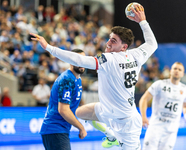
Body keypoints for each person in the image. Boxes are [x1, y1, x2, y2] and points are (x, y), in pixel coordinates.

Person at [30, 4, 158, 150]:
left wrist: (48, 47)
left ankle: (115, 137)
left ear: (124, 47)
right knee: (80, 112)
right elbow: (152, 44)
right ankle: (111, 136)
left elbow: (78, 60)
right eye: (110, 38)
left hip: (126, 123)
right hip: (108, 111)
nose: (108, 42)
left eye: (113, 41)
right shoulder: (136, 55)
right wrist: (143, 21)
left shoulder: (110, 60)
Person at [39, 49, 87, 150]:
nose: (81, 62)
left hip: (60, 130)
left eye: (84, 59)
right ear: (70, 61)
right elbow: (63, 110)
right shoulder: (67, 79)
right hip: (55, 129)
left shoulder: (77, 79)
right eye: (78, 59)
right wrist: (81, 127)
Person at [139, 62, 186, 150]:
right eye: (175, 68)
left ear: (183, 74)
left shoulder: (185, 89)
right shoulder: (159, 84)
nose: (177, 71)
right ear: (170, 71)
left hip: (171, 130)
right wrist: (143, 116)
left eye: (180, 69)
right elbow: (144, 99)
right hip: (155, 127)